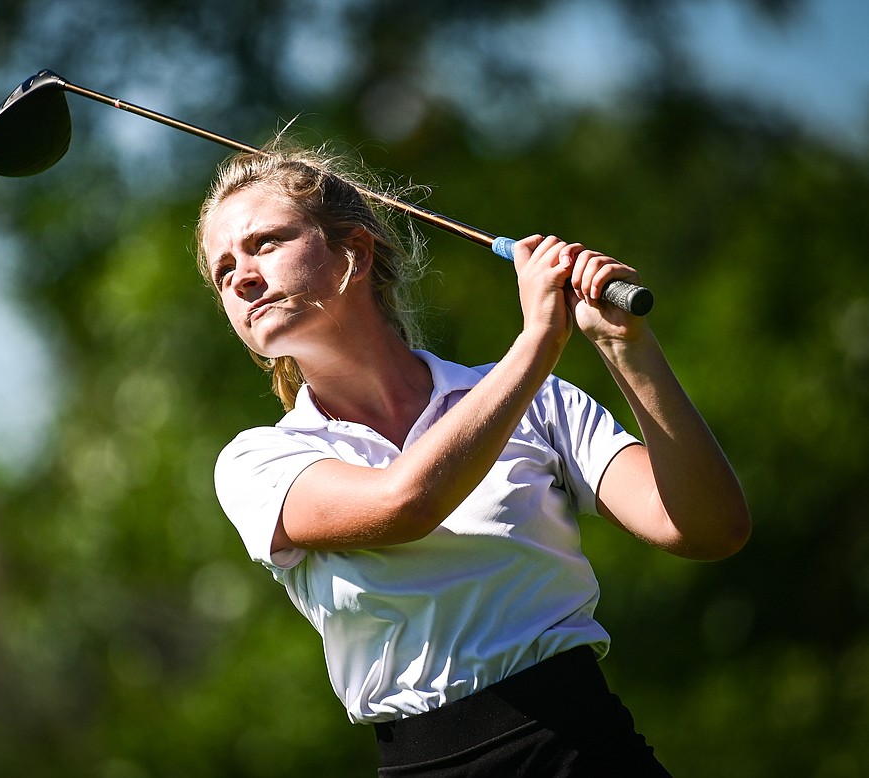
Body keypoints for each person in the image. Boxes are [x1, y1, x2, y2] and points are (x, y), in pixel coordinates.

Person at [195, 141, 750, 777]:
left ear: (355, 249)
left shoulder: (535, 400)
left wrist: (628, 349)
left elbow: (709, 527)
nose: (241, 277)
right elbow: (404, 505)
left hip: (588, 750)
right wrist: (539, 338)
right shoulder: (259, 460)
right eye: (222, 270)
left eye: (265, 243)